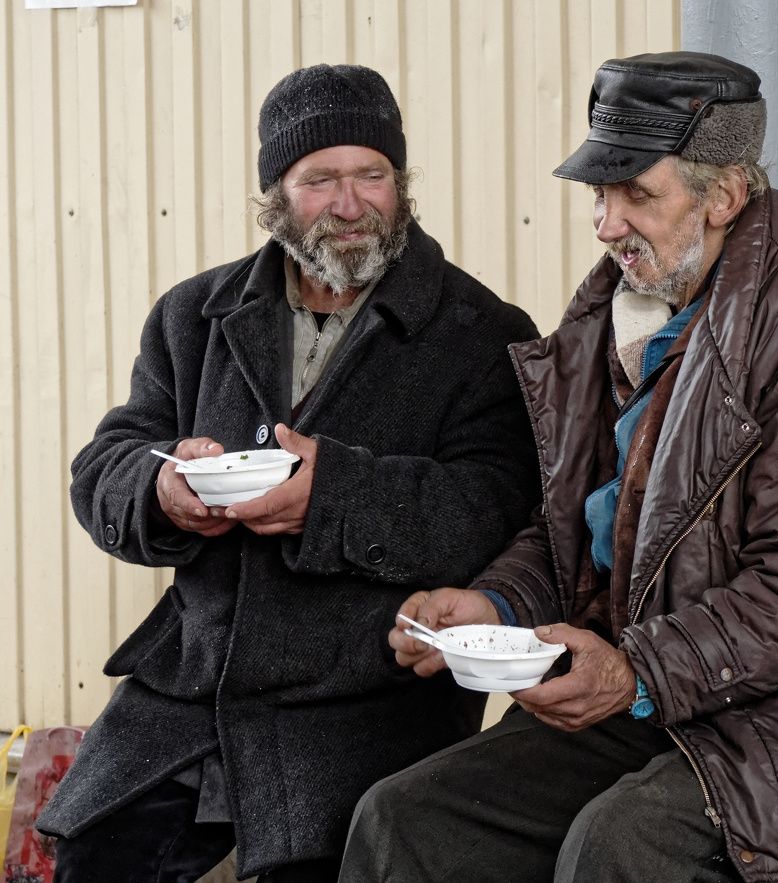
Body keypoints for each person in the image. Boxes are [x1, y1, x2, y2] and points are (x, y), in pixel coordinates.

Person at [338, 51, 778, 883]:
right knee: (406, 819)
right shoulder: (622, 310)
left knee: (618, 846)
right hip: (661, 689)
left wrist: (636, 671)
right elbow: (591, 528)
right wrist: (496, 599)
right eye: (599, 193)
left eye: (637, 195)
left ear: (724, 195)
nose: (605, 223)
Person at [38, 63, 541, 882]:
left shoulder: (481, 331)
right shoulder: (192, 315)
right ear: (276, 194)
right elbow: (107, 461)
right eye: (320, 180)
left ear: (401, 182)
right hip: (192, 688)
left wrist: (331, 496)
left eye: (372, 175)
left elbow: (497, 506)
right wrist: (161, 486)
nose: (351, 205)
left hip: (363, 696)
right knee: (98, 856)